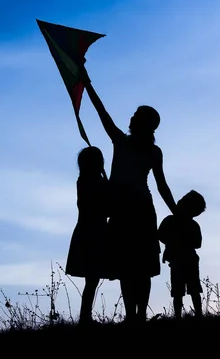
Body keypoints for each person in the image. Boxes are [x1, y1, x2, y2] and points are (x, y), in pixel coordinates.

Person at [82, 79, 178, 324]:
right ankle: (133, 316)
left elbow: (161, 185)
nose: (132, 117)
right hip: (127, 210)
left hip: (137, 211)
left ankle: (139, 316)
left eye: (137, 115)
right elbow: (101, 113)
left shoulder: (141, 148)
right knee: (130, 265)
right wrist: (87, 84)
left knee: (138, 266)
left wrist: (176, 212)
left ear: (145, 123)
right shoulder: (125, 143)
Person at [65, 146, 110, 325]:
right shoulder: (92, 181)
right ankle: (85, 317)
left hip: (88, 229)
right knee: (92, 277)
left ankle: (85, 316)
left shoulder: (84, 179)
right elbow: (105, 207)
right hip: (93, 230)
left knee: (91, 278)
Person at [157, 190, 206, 319]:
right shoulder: (175, 222)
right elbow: (160, 235)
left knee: (191, 290)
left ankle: (197, 314)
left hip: (186, 261)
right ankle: (181, 316)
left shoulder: (191, 225)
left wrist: (175, 241)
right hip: (179, 261)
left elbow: (197, 243)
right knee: (179, 291)